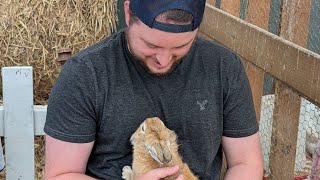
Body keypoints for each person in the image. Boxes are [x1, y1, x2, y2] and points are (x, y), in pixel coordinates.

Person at [44, 0, 264, 179]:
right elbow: (61, 175)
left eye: (180, 46)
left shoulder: (223, 67)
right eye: (151, 45)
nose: (163, 60)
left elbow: (246, 162)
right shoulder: (85, 74)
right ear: (128, 12)